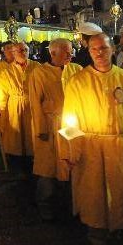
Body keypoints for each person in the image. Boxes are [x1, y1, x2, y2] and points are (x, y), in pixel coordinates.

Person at [62, 33, 123, 245]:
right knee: (94, 195)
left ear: (113, 50)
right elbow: (69, 119)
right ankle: (97, 238)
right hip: (91, 148)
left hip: (122, 145)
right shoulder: (78, 81)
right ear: (89, 52)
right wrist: (72, 150)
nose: (99, 53)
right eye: (94, 49)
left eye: (104, 48)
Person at [27, 38, 82, 219]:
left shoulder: (77, 70)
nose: (70, 54)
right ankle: (45, 205)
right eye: (66, 52)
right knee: (48, 169)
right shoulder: (40, 73)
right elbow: (35, 102)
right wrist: (41, 128)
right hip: (50, 125)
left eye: (71, 51)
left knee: (73, 165)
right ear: (53, 53)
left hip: (72, 125)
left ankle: (73, 204)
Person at [0, 42, 40, 168]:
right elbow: (2, 92)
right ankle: (17, 162)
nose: (23, 53)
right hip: (14, 105)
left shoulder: (37, 67)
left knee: (32, 134)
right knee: (15, 135)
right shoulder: (7, 70)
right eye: (20, 51)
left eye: (25, 50)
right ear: (14, 53)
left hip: (32, 105)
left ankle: (33, 159)